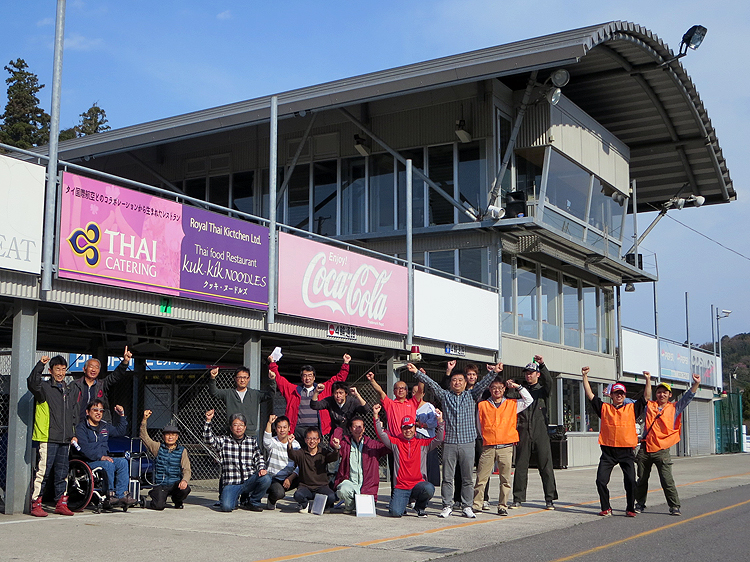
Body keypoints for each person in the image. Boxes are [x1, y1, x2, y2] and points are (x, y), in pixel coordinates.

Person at [413, 362, 495, 518]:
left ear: (465, 383)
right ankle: (447, 505)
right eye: (454, 380)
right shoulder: (445, 396)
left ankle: (467, 506)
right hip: (449, 442)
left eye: (460, 380)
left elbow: (484, 383)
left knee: (467, 477)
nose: (457, 383)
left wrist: (493, 372)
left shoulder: (471, 395)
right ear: (450, 383)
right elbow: (432, 384)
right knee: (448, 477)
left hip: (468, 442)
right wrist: (417, 372)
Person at [635, 371, 701, 516]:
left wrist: (696, 383)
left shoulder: (674, 408)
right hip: (645, 449)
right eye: (659, 392)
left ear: (670, 395)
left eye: (665, 392)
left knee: (667, 480)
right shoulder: (649, 406)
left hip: (662, 450)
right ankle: (639, 504)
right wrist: (648, 380)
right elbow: (645, 397)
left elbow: (688, 398)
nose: (662, 395)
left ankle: (674, 506)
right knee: (641, 479)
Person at [582, 367, 645, 517]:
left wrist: (648, 380)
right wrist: (584, 377)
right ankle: (606, 507)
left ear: (625, 396)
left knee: (630, 480)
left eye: (621, 393)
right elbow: (590, 395)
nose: (619, 396)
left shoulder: (632, 409)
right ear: (611, 395)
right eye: (616, 393)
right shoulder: (604, 408)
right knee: (600, 481)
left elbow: (646, 397)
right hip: (608, 452)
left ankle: (630, 508)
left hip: (626, 452)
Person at [28, 355, 79, 517]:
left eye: (63, 369)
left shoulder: (68, 390)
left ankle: (61, 502)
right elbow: (32, 383)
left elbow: (73, 415)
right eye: (57, 369)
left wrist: (73, 434)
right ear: (50, 371)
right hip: (48, 437)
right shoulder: (44, 388)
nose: (61, 373)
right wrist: (40, 365)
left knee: (62, 473)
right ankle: (36, 503)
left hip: (65, 439)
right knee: (43, 471)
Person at [473, 377, 532, 516]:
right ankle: (477, 504)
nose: (497, 390)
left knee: (505, 479)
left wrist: (517, 386)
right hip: (488, 446)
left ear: (504, 389)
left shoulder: (512, 404)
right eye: (494, 388)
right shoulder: (482, 405)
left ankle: (502, 505)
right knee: (481, 477)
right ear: (490, 389)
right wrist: (484, 439)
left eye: (500, 387)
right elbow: (478, 424)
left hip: (506, 446)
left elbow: (529, 400)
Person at [373, 403, 444, 517]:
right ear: (401, 429)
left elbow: (439, 439)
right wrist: (376, 416)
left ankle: (419, 507)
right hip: (401, 486)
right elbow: (381, 434)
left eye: (410, 427)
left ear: (415, 428)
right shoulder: (396, 443)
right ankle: (401, 502)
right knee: (395, 513)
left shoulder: (422, 444)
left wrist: (440, 421)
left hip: (418, 484)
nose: (408, 430)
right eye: (405, 428)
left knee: (429, 488)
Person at [511, 355, 559, 510]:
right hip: (523, 431)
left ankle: (550, 499)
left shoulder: (543, 390)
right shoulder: (520, 390)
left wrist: (542, 365)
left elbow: (549, 382)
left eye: (531, 373)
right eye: (526, 373)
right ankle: (518, 498)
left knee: (545, 466)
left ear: (538, 374)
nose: (528, 375)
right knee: (521, 465)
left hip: (541, 432)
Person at [268, 353, 351, 441]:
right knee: (297, 453)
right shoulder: (293, 390)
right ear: (301, 378)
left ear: (314, 377)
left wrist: (345, 363)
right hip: (297, 430)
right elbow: (280, 380)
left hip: (317, 429)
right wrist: (272, 363)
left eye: (310, 375)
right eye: (305, 375)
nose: (307, 378)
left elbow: (338, 379)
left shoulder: (322, 389)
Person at [204, 409, 270, 512]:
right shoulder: (224, 441)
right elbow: (208, 439)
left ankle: (252, 502)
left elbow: (259, 457)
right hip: (232, 482)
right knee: (226, 507)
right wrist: (208, 421)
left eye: (241, 425)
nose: (238, 427)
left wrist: (261, 468)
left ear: (245, 427)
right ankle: (234, 499)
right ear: (231, 428)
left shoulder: (251, 441)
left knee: (266, 478)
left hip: (249, 480)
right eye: (235, 425)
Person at [76, 399, 138, 509]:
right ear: (87, 412)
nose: (98, 413)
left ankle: (121, 495)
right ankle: (110, 495)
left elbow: (120, 432)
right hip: (89, 461)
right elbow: (84, 449)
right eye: (95, 410)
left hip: (103, 459)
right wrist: (101, 457)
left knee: (123, 462)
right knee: (108, 464)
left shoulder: (105, 426)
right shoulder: (81, 428)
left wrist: (122, 416)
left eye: (101, 410)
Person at [334, 415, 389, 514]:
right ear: (350, 429)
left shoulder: (372, 444)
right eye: (355, 427)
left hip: (367, 486)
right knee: (343, 490)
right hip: (350, 482)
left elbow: (388, 446)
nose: (357, 429)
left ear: (364, 429)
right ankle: (350, 506)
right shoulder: (346, 444)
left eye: (360, 427)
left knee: (366, 513)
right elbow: (334, 444)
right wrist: (339, 428)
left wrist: (382, 430)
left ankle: (358, 503)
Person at [140, 410, 191, 510]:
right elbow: (144, 437)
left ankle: (177, 500)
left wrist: (184, 480)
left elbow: (187, 469)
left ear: (177, 437)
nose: (170, 437)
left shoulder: (182, 451)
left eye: (173, 434)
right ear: (163, 436)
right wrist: (144, 420)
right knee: (158, 506)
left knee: (185, 489)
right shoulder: (157, 447)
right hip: (161, 484)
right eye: (167, 434)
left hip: (175, 484)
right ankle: (155, 494)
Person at [70, 347, 132, 423]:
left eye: (97, 367)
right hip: (79, 426)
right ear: (84, 369)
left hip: (98, 427)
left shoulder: (102, 385)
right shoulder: (75, 385)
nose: (93, 369)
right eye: (91, 366)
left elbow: (115, 376)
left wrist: (125, 362)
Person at [208, 365, 276, 435]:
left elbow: (270, 395)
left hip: (250, 433)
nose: (242, 380)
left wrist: (272, 380)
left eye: (245, 377)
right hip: (232, 433)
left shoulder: (255, 394)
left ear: (248, 379)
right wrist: (213, 378)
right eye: (239, 377)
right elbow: (214, 392)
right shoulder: (228, 393)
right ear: (235, 378)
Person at [287, 427, 340, 512]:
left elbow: (333, 457)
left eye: (314, 438)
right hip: (305, 486)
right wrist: (289, 444)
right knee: (298, 495)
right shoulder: (301, 453)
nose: (312, 441)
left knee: (331, 497)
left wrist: (336, 448)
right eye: (309, 438)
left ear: (319, 440)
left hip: (321, 486)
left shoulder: (323, 452)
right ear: (305, 440)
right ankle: (305, 505)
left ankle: (322, 505)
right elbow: (292, 455)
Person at [262, 414, 300, 510]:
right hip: (274, 478)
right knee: (279, 493)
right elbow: (266, 441)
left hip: (289, 477)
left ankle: (302, 501)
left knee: (306, 476)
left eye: (284, 427)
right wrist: (269, 423)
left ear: (289, 428)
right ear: (275, 429)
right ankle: (271, 499)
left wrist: (291, 478)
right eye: (279, 427)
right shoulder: (273, 442)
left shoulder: (295, 444)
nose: (282, 430)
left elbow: (301, 463)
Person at [412, 383, 440, 487]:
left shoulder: (428, 406)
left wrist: (421, 425)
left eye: (417, 392)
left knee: (428, 464)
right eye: (413, 392)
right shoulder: (410, 406)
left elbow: (434, 422)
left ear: (423, 393)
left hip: (426, 438)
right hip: (414, 438)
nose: (415, 394)